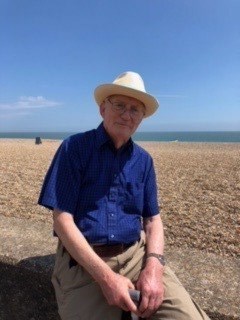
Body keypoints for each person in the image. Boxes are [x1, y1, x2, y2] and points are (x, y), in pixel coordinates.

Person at [38, 71, 210, 320]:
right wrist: (107, 278)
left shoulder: (143, 161)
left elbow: (153, 220)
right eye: (119, 105)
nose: (127, 115)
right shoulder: (74, 148)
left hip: (136, 255)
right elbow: (62, 219)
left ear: (140, 119)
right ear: (102, 109)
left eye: (135, 110)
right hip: (84, 263)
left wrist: (153, 267)